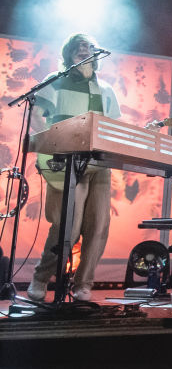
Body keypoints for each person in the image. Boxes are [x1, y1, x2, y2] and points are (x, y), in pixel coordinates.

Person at [26, 33, 120, 303]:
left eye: (88, 46)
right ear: (68, 53)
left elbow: (115, 127)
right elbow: (35, 116)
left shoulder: (106, 89)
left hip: (99, 163)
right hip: (64, 161)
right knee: (67, 224)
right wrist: (49, 144)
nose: (83, 49)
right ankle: (41, 278)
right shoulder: (54, 82)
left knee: (99, 224)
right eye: (78, 46)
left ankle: (83, 284)